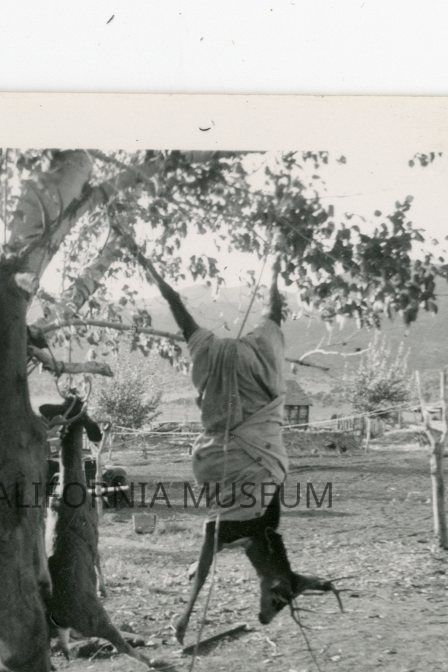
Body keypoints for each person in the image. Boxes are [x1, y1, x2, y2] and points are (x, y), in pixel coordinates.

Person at [117, 229, 336, 644]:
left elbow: (177, 307)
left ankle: (269, 584)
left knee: (249, 530)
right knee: (259, 521)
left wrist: (149, 267)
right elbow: (274, 312)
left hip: (216, 461)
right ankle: (278, 581)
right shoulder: (261, 350)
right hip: (258, 460)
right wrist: (276, 273)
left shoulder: (207, 351)